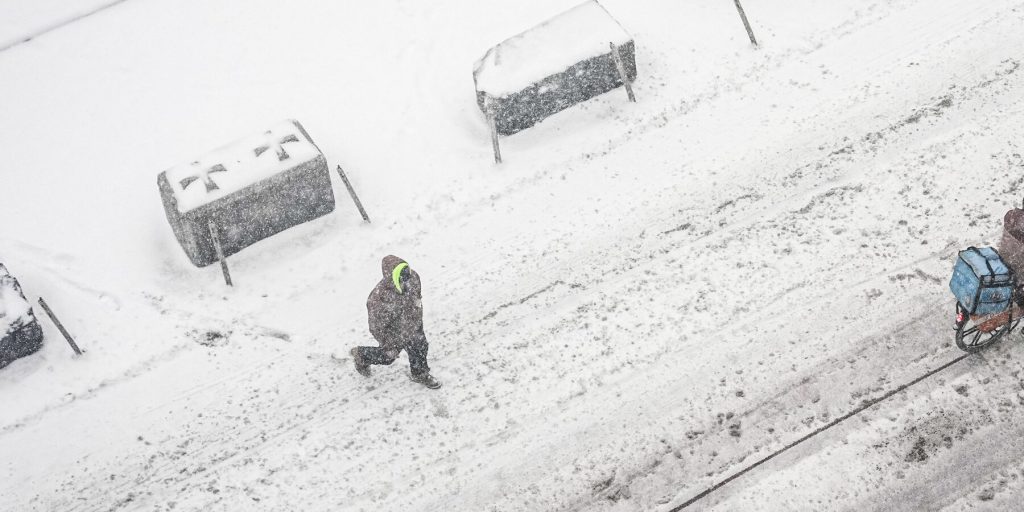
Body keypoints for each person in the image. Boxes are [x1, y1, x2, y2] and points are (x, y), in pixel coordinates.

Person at [350, 255, 441, 389]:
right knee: (388, 357)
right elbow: (376, 327)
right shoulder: (378, 299)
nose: (407, 281)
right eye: (402, 279)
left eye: (407, 275)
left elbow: (417, 297)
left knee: (419, 346)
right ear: (393, 279)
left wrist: (416, 317)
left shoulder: (413, 277)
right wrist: (390, 342)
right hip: (393, 332)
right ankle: (362, 355)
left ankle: (419, 373)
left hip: (412, 323)